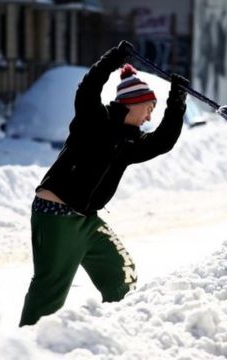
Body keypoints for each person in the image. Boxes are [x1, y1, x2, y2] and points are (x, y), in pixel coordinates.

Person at [19, 41, 189, 326]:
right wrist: (113, 58)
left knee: (120, 274)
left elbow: (163, 141)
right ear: (133, 103)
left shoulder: (130, 142)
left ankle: (113, 333)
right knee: (50, 291)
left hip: (86, 220)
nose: (149, 116)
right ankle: (25, 347)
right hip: (56, 214)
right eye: (149, 108)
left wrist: (177, 100)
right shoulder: (93, 119)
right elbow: (88, 88)